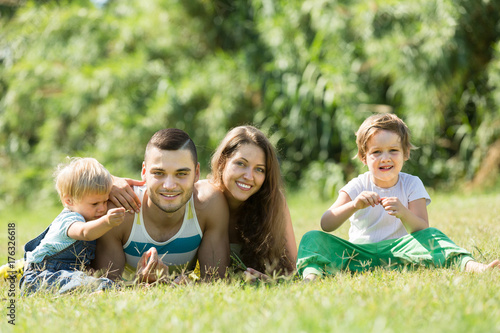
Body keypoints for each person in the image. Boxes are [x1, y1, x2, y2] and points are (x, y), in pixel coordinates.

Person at [296, 113, 500, 281]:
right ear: (363, 157)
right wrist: (354, 205)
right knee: (311, 238)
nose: (385, 158)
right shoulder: (358, 185)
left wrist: (403, 212)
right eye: (376, 152)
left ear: (406, 153)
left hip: (401, 253)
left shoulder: (411, 183)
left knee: (435, 237)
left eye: (393, 150)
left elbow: (422, 230)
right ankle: (310, 278)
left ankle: (471, 265)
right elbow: (326, 223)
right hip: (357, 255)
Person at [110, 126, 297, 280]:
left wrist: (272, 282)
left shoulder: (272, 202)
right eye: (241, 163)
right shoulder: (205, 200)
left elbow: (292, 270)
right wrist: (109, 180)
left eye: (259, 169)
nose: (249, 176)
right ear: (223, 162)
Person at [93, 128, 230, 283]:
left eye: (181, 174)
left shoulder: (209, 205)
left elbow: (216, 283)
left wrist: (185, 288)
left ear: (196, 173)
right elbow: (105, 288)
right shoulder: (119, 213)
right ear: (144, 172)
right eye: (159, 173)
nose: (169, 185)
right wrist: (140, 285)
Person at [20, 157, 125, 295]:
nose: (102, 208)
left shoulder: (89, 219)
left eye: (105, 201)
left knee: (85, 280)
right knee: (89, 283)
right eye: (94, 204)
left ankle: (97, 288)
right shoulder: (70, 219)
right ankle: (100, 289)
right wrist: (107, 221)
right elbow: (84, 232)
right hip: (42, 276)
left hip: (63, 275)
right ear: (69, 200)